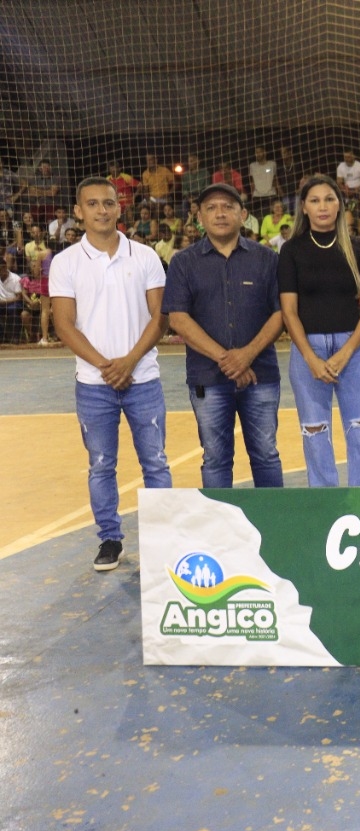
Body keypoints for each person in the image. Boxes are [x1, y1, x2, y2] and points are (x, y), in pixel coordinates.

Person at [49, 177, 171, 571]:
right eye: (93, 204)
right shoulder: (66, 262)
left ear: (119, 208)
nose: (102, 210)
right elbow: (64, 325)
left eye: (109, 203)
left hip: (143, 377)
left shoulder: (145, 256)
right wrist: (107, 366)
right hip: (94, 384)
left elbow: (160, 318)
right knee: (102, 464)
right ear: (79, 211)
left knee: (155, 461)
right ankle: (109, 539)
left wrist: (129, 362)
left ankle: (162, 539)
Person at [163, 183, 284, 488]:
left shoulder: (267, 259)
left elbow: (281, 314)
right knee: (215, 458)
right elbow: (178, 318)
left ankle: (274, 530)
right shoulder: (183, 263)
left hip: (261, 375)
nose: (220, 213)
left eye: (228, 207)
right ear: (199, 217)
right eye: (211, 208)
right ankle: (220, 534)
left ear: (243, 215)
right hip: (208, 378)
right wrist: (228, 360)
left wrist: (246, 356)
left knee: (266, 455)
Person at [279, 175, 360, 487]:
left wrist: (346, 352)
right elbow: (289, 312)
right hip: (308, 350)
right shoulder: (291, 251)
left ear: (340, 205)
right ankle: (324, 502)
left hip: (354, 349)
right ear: (304, 209)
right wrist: (310, 358)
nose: (322, 206)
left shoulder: (359, 248)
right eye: (314, 200)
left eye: (329, 199)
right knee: (314, 431)